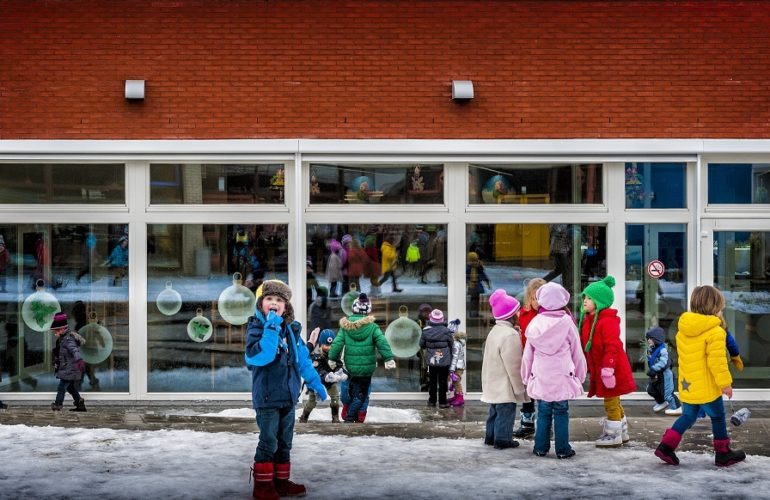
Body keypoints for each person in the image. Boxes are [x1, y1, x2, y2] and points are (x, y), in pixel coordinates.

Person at [244, 280, 328, 499]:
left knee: (285, 442)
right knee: (268, 441)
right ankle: (262, 486)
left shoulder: (290, 330)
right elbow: (261, 356)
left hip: (288, 397)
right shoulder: (256, 328)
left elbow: (303, 361)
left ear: (286, 306)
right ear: (261, 303)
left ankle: (280, 482)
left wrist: (315, 383)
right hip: (267, 398)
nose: (274, 303)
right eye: (269, 299)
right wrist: (271, 326)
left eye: (279, 300)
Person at [654, 285, 746, 467]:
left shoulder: (683, 330)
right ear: (715, 307)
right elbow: (717, 362)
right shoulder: (716, 332)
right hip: (707, 388)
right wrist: (725, 384)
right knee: (718, 417)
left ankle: (666, 446)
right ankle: (723, 453)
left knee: (688, 416)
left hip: (688, 384)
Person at [521, 282, 586, 459]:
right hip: (562, 376)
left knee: (543, 412)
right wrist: (580, 375)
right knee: (561, 412)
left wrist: (526, 376)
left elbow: (528, 354)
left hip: (542, 376)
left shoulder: (535, 323)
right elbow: (577, 352)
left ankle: (540, 448)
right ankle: (563, 449)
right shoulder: (567, 322)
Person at [578, 275, 636, 447]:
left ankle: (613, 434)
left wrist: (608, 369)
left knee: (610, 400)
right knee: (614, 399)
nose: (585, 301)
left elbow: (613, 346)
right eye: (585, 297)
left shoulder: (607, 321)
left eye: (590, 298)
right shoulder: (590, 319)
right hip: (602, 367)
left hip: (611, 369)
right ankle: (622, 430)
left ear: (600, 301)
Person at [328, 293, 397, 423]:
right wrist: (388, 358)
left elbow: (337, 343)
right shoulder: (373, 327)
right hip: (367, 368)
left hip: (349, 367)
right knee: (364, 392)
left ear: (353, 309)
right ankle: (361, 413)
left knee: (346, 388)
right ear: (368, 311)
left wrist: (332, 358)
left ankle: (347, 406)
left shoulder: (346, 327)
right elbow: (382, 342)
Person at [481, 289, 528, 449]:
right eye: (518, 311)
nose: (520, 314)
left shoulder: (495, 332)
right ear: (512, 315)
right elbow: (514, 365)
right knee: (506, 413)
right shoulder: (510, 336)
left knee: (494, 412)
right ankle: (502, 439)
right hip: (504, 384)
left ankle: (490, 437)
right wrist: (519, 388)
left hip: (493, 382)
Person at [514, 277, 547, 438]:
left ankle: (544, 424)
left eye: (540, 298)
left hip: (543, 360)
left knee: (543, 395)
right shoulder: (524, 313)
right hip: (527, 358)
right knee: (527, 394)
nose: (537, 302)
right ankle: (527, 423)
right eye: (533, 298)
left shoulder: (550, 315)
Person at [299, 328, 346, 423]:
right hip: (317, 381)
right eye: (325, 345)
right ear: (320, 344)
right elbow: (317, 369)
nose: (328, 348)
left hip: (330, 380)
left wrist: (339, 372)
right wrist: (326, 376)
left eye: (331, 345)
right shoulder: (315, 355)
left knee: (335, 397)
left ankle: (335, 417)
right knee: (312, 402)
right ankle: (304, 417)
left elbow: (338, 364)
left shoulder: (334, 354)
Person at [50, 312, 87, 412]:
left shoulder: (68, 339)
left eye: (56, 331)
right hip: (68, 367)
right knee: (70, 388)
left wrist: (79, 360)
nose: (55, 333)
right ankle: (80, 404)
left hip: (71, 368)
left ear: (62, 329)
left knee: (61, 387)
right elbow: (63, 353)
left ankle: (58, 404)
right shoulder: (63, 338)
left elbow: (74, 350)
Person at [420, 309, 455, 408]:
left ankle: (432, 401)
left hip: (431, 360)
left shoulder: (426, 331)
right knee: (443, 380)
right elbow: (452, 345)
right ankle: (443, 402)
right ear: (442, 319)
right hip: (444, 360)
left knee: (432, 380)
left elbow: (421, 344)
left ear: (431, 318)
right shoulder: (447, 331)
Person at [645, 326, 680, 414]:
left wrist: (654, 368)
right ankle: (661, 402)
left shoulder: (663, 350)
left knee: (667, 393)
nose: (648, 340)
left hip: (665, 375)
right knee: (651, 390)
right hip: (656, 376)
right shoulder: (653, 349)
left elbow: (663, 362)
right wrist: (649, 357)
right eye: (647, 338)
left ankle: (676, 407)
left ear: (656, 339)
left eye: (650, 338)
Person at [72, 300, 100, 390]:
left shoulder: (79, 326)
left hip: (85, 351)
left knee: (82, 369)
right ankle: (94, 383)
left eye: (74, 314)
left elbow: (78, 340)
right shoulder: (91, 324)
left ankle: (78, 385)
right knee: (87, 368)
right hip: (91, 350)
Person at [543, 224, 573, 292]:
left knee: (561, 270)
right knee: (565, 270)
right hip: (560, 249)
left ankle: (542, 281)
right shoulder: (558, 222)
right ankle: (566, 288)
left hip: (562, 249)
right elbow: (560, 230)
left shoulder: (559, 222)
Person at [447, 318, 466, 407]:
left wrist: (451, 369)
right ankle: (456, 396)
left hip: (457, 367)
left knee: (456, 381)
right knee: (455, 381)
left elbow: (455, 357)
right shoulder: (456, 343)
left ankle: (460, 398)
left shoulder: (455, 344)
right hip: (458, 366)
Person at [466, 251, 490, 318]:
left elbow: (483, 275)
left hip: (478, 286)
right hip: (472, 287)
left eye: (475, 261)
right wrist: (468, 282)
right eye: (472, 261)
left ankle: (475, 313)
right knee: (473, 300)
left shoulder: (479, 267)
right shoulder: (468, 268)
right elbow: (465, 276)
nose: (473, 262)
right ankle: (473, 313)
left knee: (477, 300)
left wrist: (487, 281)